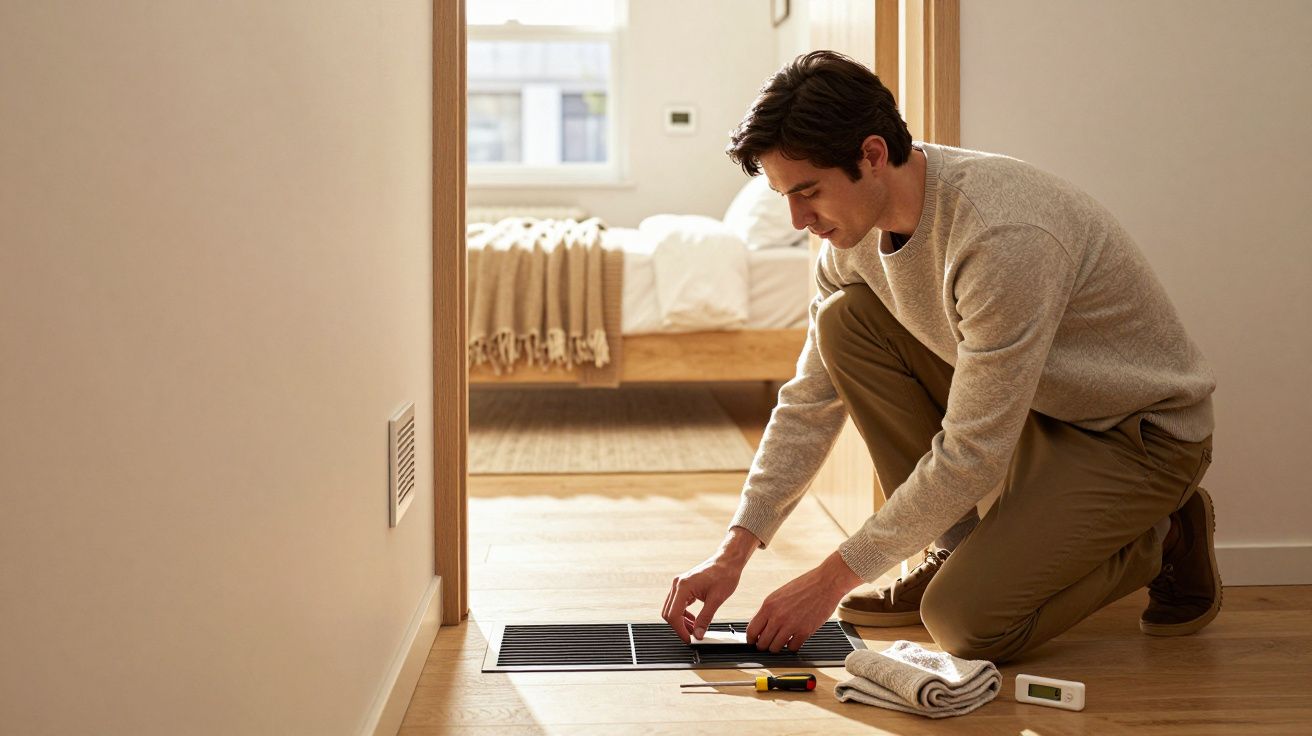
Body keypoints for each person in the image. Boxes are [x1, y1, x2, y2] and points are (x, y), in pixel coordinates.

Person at [660, 50, 1218, 664]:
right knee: (846, 323)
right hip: (1032, 410)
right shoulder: (847, 245)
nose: (798, 219)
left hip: (1132, 434)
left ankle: (1168, 535)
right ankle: (954, 546)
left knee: (964, 624)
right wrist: (733, 549)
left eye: (809, 192)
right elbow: (809, 401)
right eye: (784, 197)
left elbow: (974, 452)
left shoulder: (1001, 235)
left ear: (872, 155)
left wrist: (829, 579)